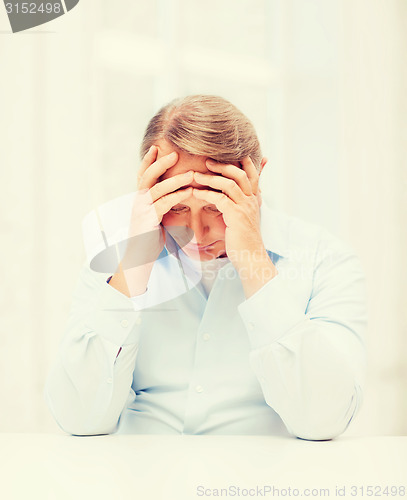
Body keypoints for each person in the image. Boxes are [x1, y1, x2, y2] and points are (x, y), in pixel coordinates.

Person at [44, 94, 367, 440]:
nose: (195, 234)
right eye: (178, 207)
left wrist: (254, 262)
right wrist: (134, 263)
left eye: (216, 206)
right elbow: (77, 418)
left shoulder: (323, 260)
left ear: (256, 180)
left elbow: (325, 420)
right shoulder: (112, 262)